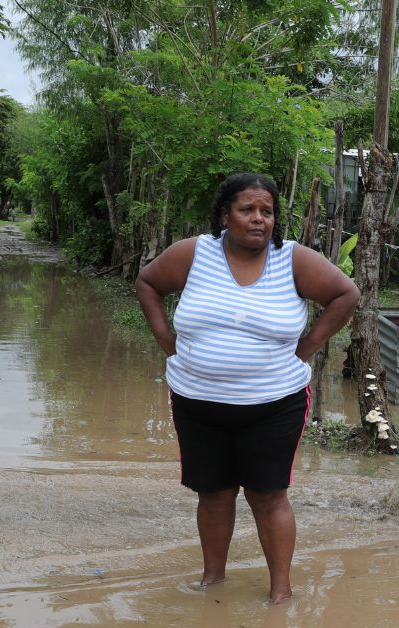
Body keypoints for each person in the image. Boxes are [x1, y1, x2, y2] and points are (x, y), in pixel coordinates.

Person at [136, 172, 359, 604]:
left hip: (274, 404)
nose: (258, 219)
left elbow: (345, 295)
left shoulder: (292, 260)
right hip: (197, 401)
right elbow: (148, 283)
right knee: (213, 494)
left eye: (267, 211)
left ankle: (280, 592)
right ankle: (212, 580)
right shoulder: (194, 254)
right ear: (225, 216)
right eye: (247, 210)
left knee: (268, 495)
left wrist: (307, 348)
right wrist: (167, 343)